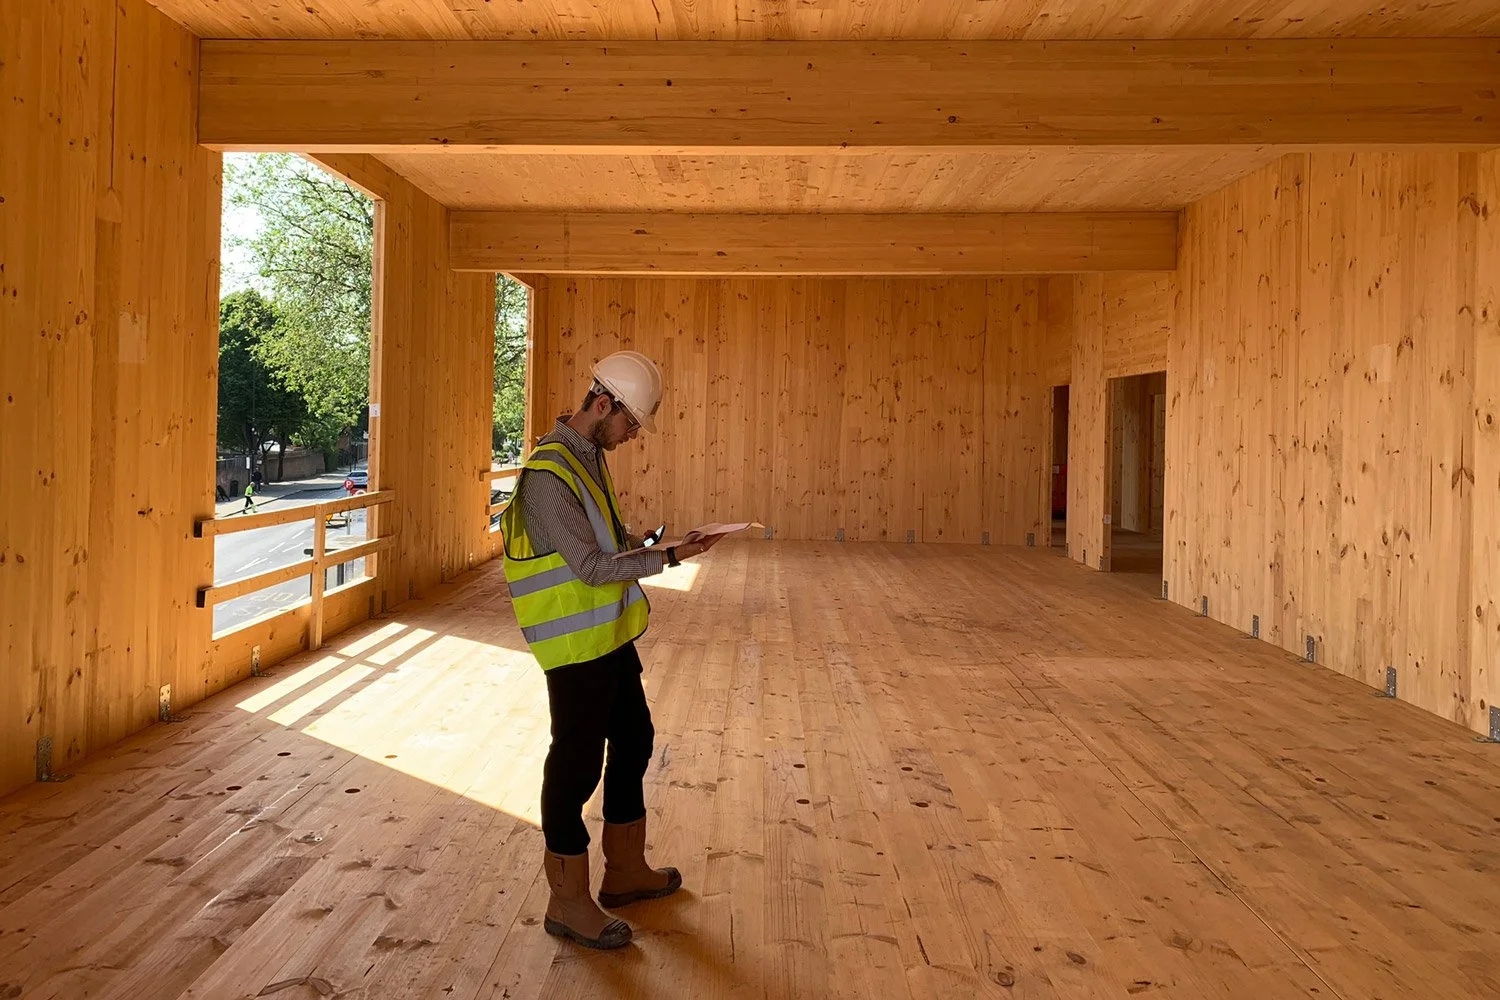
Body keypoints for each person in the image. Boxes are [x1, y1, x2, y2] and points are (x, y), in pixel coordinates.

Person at [500, 350, 721, 950]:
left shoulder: (588, 455)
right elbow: (595, 567)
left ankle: (623, 872)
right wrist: (672, 557)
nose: (632, 436)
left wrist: (650, 540)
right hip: (574, 647)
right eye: (631, 424)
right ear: (604, 404)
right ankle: (567, 901)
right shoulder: (548, 475)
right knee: (574, 768)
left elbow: (604, 540)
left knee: (637, 739)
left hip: (608, 636)